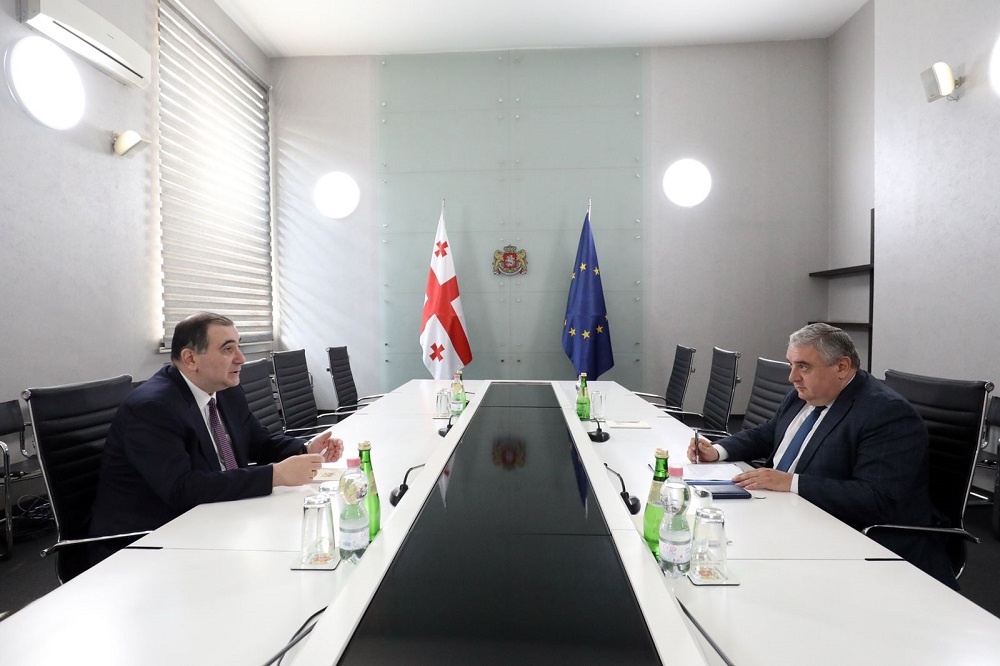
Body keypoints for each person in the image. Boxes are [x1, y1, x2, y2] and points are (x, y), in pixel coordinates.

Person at [687, 323, 955, 588]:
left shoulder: (886, 413)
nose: (792, 377)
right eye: (791, 364)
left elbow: (877, 498)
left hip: (855, 545)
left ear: (842, 367)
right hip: (785, 515)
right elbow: (769, 432)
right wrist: (718, 450)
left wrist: (791, 482)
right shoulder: (804, 394)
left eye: (803, 366)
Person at [89, 312, 344, 563]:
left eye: (239, 347)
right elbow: (181, 489)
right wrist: (275, 475)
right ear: (191, 359)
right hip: (149, 543)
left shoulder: (226, 391)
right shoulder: (153, 408)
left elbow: (259, 442)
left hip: (215, 518)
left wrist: (305, 448)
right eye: (228, 349)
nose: (241, 358)